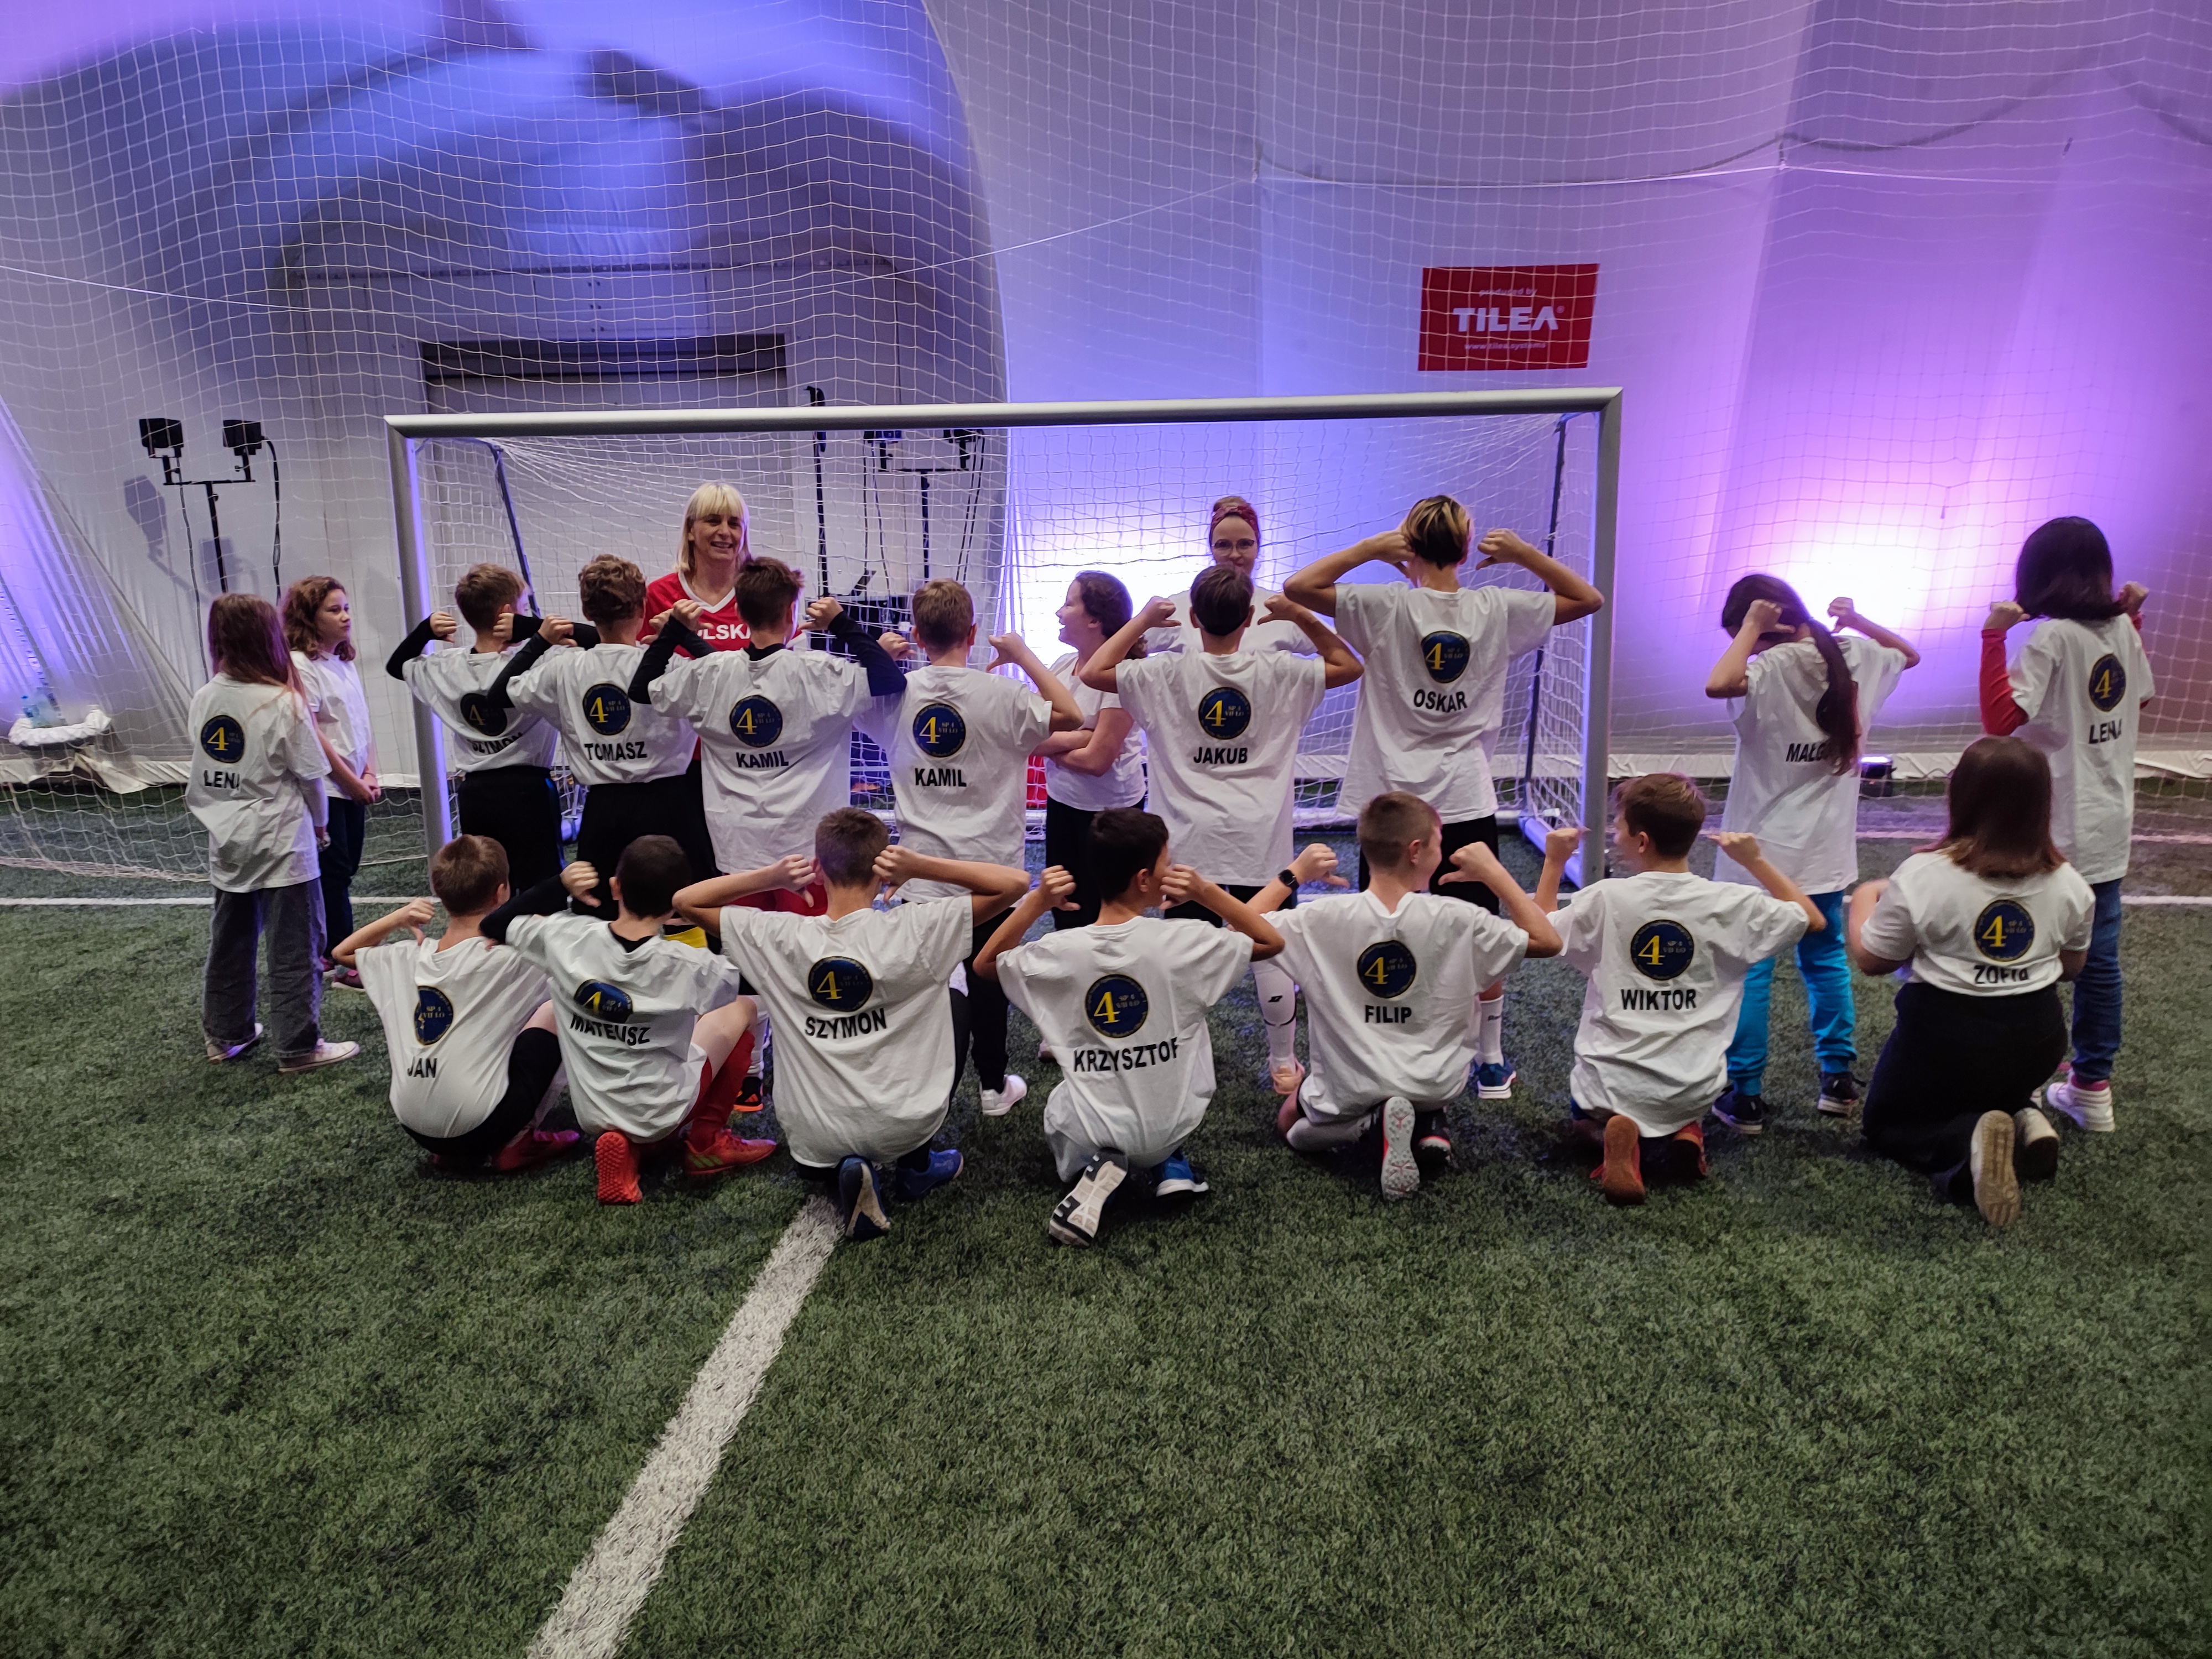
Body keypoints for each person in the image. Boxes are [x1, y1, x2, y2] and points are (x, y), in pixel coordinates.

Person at [1284, 498, 1604, 1104]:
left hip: (1391, 800)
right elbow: (1588, 599)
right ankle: (1489, 1061)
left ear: (1407, 545)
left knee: (1385, 933)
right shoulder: (1496, 607)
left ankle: (1386, 1049)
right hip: (1463, 797)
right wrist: (1524, 555)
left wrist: (1368, 550)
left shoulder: (1383, 604)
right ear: (1466, 547)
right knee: (1481, 935)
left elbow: (1298, 586)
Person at [677, 809, 1030, 1241]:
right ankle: (916, 1166)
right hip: (905, 1124)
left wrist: (771, 877)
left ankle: (844, 1167)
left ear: (819, 870)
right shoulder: (916, 927)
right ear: (883, 870)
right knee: (955, 994)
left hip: (813, 1136)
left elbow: (686, 902)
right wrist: (920, 866)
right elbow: (1015, 884)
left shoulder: (779, 935)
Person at [630, 559, 907, 1099]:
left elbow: (643, 688)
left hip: (739, 852)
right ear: (791, 614)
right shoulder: (818, 673)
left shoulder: (711, 674)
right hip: (811, 854)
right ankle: (821, 1068)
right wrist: (842, 623)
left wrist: (673, 633)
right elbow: (888, 677)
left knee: (746, 968)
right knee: (818, 960)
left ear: (739, 610)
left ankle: (749, 1078)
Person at [1082, 566, 1361, 1096]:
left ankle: (1180, 1061)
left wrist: (1144, 619)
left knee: (1185, 958)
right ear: (1251, 618)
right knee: (1270, 949)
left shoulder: (1164, 673)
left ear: (1192, 619)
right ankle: (1283, 1063)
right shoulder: (1280, 670)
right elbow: (1349, 664)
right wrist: (1300, 614)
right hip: (1260, 837)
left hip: (1188, 842)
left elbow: (1095, 670)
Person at [973, 807, 1287, 1247]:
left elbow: (985, 965)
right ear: (1144, 879)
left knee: (1061, 1101)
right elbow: (1271, 941)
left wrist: (1037, 902)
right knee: (1186, 1023)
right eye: (1167, 864)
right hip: (1174, 1122)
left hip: (1093, 1130)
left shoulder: (1061, 950)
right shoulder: (1184, 940)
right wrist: (1206, 891)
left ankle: (1099, 1169)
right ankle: (1169, 1163)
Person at [1252, 795, 1567, 1199]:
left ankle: (1366, 1126)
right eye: (1439, 843)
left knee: (1288, 1123)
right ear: (1416, 851)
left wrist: (1294, 873)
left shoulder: (1319, 918)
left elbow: (1238, 932)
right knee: (1425, 1071)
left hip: (1351, 1086)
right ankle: (1427, 1122)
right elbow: (1548, 941)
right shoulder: (1461, 918)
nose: (1442, 852)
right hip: (1434, 1083)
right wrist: (1495, 873)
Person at [1537, 774, 1822, 1206]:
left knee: (1581, 1120)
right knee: (1684, 1102)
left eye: (1619, 826)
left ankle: (1611, 1135)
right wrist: (1755, 861)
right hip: (1693, 1084)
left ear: (1642, 841)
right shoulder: (1733, 902)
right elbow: (1812, 919)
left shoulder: (1606, 897)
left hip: (1610, 1081)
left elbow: (1540, 936)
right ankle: (1685, 1132)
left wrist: (1554, 862)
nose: (1614, 834)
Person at [1701, 576, 1919, 1132]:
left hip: (1758, 856)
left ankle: (1745, 1096)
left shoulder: (1769, 667)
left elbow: (1718, 683)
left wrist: (1751, 627)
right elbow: (1909, 655)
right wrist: (1858, 620)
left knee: (1751, 970)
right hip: (1824, 853)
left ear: (1762, 627)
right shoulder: (1855, 655)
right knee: (1824, 963)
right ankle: (1838, 1081)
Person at [1846, 737, 2091, 1227]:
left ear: (1960, 796)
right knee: (1994, 1074)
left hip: (1946, 1041)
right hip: (2037, 1041)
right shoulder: (2071, 883)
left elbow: (1873, 960)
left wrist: (1864, 900)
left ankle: (1966, 1141)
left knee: (1885, 1123)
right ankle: (2022, 1116)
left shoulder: (1923, 875)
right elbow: (2072, 967)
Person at [863, 577, 1081, 1117]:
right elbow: (1072, 716)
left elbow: (840, 701)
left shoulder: (893, 693)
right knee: (988, 977)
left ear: (917, 636)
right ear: (974, 632)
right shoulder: (1004, 694)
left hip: (920, 875)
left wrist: (878, 656)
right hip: (992, 874)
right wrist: (1023, 655)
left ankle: (917, 1093)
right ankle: (991, 1086)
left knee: (923, 988)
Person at [1980, 516, 2153, 1133]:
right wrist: (2132, 622)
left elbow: (2000, 721)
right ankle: (2091, 1088)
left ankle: (2017, 1086)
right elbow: (2136, 697)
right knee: (2098, 963)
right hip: (2108, 822)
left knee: (2023, 955)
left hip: (2046, 828)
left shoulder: (2049, 636)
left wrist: (1993, 636)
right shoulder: (2121, 628)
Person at [483, 836, 773, 1204]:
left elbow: (494, 924)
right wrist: (726, 901)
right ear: (675, 903)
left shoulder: (564, 936)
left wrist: (560, 885)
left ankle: (629, 1149)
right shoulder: (692, 966)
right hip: (660, 1110)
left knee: (556, 1011)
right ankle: (706, 1141)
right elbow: (761, 975)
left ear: (615, 887)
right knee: (743, 1009)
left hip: (592, 1111)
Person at [187, 592, 358, 1074]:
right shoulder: (284, 702)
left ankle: (227, 1034)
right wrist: (321, 825)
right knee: (296, 944)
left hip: (227, 838)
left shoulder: (205, 696)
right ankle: (299, 1046)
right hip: (282, 840)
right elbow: (312, 778)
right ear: (269, 638)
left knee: (231, 939)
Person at [334, 834, 576, 1172]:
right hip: (484, 1123)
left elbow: (342, 953)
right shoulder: (513, 955)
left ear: (438, 891)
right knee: (561, 1004)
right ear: (502, 892)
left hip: (415, 1126)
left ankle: (455, 1143)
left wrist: (397, 918)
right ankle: (519, 1140)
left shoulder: (409, 956)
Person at [487, 555, 714, 914]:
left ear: (586, 611)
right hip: (670, 807)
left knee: (604, 916)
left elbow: (498, 694)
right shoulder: (670, 664)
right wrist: (683, 635)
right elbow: (727, 680)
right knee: (681, 912)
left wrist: (539, 641)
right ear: (643, 607)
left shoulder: (565, 668)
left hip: (604, 813)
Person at [385, 563, 564, 890]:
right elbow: (591, 640)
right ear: (508, 613)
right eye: (523, 609)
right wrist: (536, 631)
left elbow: (397, 667)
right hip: (529, 792)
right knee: (541, 887)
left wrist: (425, 631)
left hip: (475, 794)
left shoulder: (447, 666)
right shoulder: (539, 664)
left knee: (485, 887)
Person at [1030, 572, 1148, 930]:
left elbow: (1097, 761)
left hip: (1111, 816)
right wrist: (1082, 736)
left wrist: (1056, 745)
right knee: (1065, 905)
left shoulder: (1123, 675)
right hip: (1062, 803)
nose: (1059, 612)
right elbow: (1027, 737)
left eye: (1068, 604)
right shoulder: (1062, 666)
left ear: (1094, 620)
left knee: (1108, 915)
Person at [284, 575, 379, 989]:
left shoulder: (343, 662)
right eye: (334, 610)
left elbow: (361, 723)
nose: (345, 617)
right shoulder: (301, 665)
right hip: (328, 787)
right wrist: (349, 780)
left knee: (346, 868)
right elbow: (311, 732)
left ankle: (327, 950)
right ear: (309, 617)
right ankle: (340, 959)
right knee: (335, 872)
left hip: (353, 784)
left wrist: (369, 772)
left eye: (346, 608)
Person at [1144, 495, 1318, 657]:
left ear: (1258, 547)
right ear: (1211, 549)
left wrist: (1299, 614)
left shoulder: (1283, 609)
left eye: (1245, 544)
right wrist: (1143, 620)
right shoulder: (1176, 609)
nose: (1234, 555)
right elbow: (1132, 651)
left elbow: (1334, 655)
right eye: (1223, 545)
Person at [645, 482, 757, 654]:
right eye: (713, 521)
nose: (725, 532)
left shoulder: (763, 595)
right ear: (690, 530)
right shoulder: (658, 595)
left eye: (734, 524)